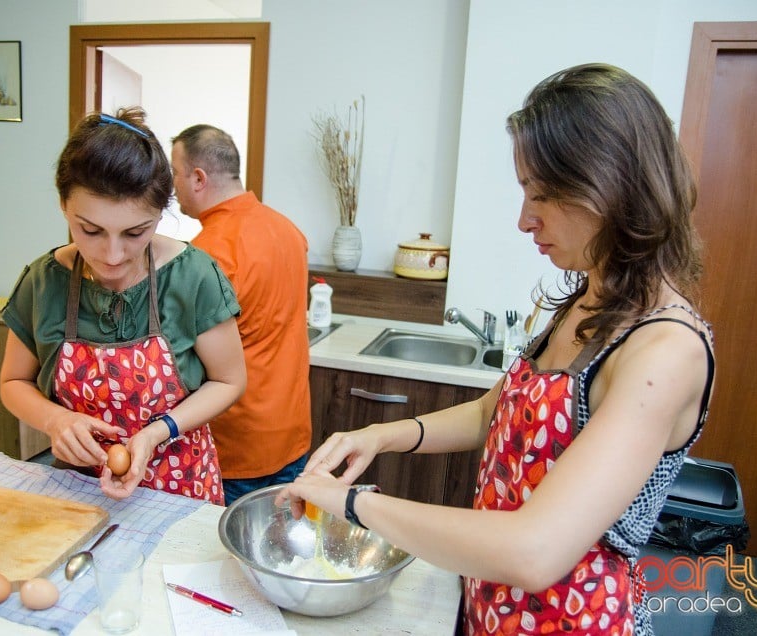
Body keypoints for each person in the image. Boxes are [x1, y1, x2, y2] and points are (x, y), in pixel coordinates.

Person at [277, 63, 715, 634]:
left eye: (544, 194)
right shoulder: (590, 294)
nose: (524, 219)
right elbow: (498, 412)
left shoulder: (664, 351)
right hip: (493, 607)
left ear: (611, 185)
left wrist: (354, 506)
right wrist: (381, 436)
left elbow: (534, 550)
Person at [0, 107, 246, 504]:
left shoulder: (193, 276)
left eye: (135, 232)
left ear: (161, 213)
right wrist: (56, 420)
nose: (112, 254)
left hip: (178, 487)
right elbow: (13, 383)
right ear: (63, 205)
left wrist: (157, 431)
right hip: (76, 490)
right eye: (90, 230)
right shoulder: (43, 282)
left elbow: (229, 380)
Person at [171, 124, 312, 505]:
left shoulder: (206, 255)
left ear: (198, 178)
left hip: (238, 447)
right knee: (279, 554)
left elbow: (183, 359)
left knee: (228, 560)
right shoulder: (289, 231)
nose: (173, 187)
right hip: (292, 432)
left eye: (175, 174)